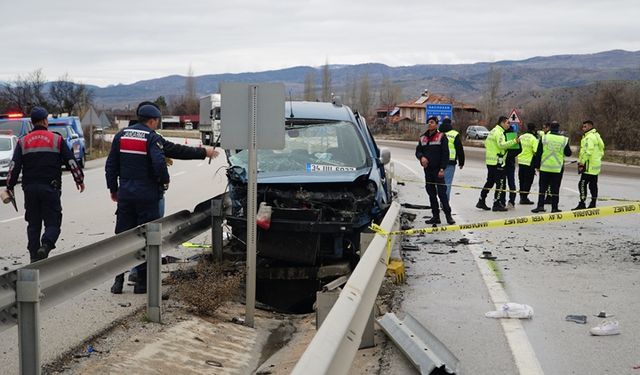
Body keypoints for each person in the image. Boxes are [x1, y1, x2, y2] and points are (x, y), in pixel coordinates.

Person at [4, 106, 85, 263]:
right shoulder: (57, 139)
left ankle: (34, 256)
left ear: (33, 123)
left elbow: (14, 166)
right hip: (50, 188)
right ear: (44, 121)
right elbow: (71, 162)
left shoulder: (23, 142)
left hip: (30, 189)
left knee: (33, 224)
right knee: (53, 222)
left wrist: (9, 186)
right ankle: (46, 245)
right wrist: (79, 180)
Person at [106, 104, 169, 294]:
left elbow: (111, 165)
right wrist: (164, 180)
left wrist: (113, 189)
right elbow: (159, 164)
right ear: (152, 120)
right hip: (147, 196)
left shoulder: (121, 135)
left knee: (123, 237)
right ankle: (142, 282)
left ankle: (118, 282)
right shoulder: (152, 138)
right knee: (145, 238)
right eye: (157, 121)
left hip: (126, 195)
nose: (157, 124)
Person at [416, 116, 455, 225]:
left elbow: (445, 154)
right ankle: (435, 216)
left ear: (436, 124)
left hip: (438, 170)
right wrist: (421, 157)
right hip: (428, 171)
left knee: (442, 194)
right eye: (428, 122)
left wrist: (442, 168)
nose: (430, 124)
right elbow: (418, 151)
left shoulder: (441, 137)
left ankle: (448, 216)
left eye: (432, 122)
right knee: (431, 193)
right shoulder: (422, 138)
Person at [476, 116, 519, 212]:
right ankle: (496, 203)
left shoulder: (492, 131)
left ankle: (481, 200)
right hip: (497, 162)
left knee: (490, 182)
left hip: (490, 161)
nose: (509, 125)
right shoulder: (500, 133)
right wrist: (514, 141)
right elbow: (502, 145)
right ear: (502, 123)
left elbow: (486, 143)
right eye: (508, 123)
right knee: (500, 183)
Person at [531, 121, 572, 213]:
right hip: (557, 168)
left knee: (542, 188)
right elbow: (568, 153)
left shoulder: (544, 137)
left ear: (550, 128)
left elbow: (539, 153)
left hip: (545, 167)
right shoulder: (564, 139)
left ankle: (540, 206)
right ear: (558, 128)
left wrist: (536, 166)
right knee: (555, 189)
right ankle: (554, 208)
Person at [573, 120, 604, 210]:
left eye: (585, 126)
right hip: (595, 166)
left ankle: (582, 203)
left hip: (588, 165)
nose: (583, 128)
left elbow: (588, 151)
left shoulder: (589, 137)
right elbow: (602, 149)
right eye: (583, 126)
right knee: (593, 185)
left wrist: (582, 162)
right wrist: (597, 159)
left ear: (590, 126)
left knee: (582, 184)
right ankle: (593, 203)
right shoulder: (597, 135)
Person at [438, 118, 465, 203]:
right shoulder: (454, 134)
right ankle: (444, 203)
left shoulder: (437, 133)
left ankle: (438, 201)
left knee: (438, 183)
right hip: (450, 162)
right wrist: (461, 162)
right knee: (447, 183)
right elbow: (459, 149)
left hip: (438, 161)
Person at [517, 123, 539, 204]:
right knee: (528, 181)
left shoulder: (521, 136)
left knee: (521, 180)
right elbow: (536, 151)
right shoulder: (533, 139)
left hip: (520, 161)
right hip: (529, 163)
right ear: (533, 129)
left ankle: (521, 196)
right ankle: (524, 198)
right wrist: (537, 165)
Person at [501, 124, 521, 209]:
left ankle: (509, 201)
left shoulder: (511, 135)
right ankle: (507, 201)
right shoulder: (501, 133)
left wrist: (508, 156)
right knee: (506, 183)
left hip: (508, 162)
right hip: (505, 162)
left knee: (508, 183)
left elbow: (519, 149)